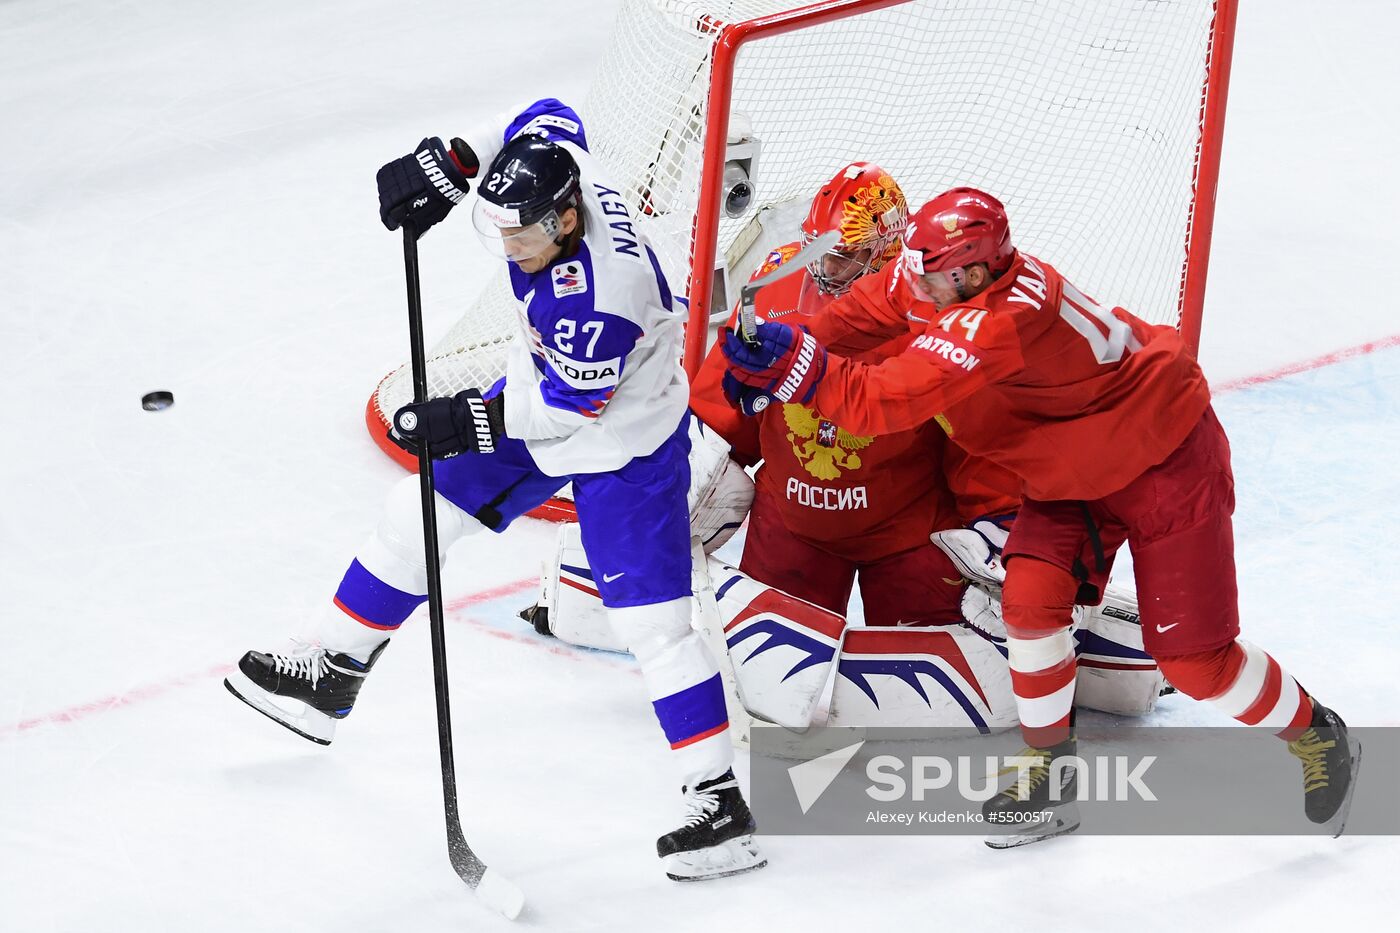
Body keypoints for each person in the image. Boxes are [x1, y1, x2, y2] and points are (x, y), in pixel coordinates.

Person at [224, 98, 765, 882]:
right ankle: (333, 670)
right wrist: (452, 162)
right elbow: (545, 110)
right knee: (419, 509)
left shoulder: (596, 302)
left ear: (567, 222)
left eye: (523, 232)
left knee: (654, 626)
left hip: (624, 444)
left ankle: (720, 808)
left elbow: (566, 412)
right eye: (501, 226)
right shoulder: (564, 167)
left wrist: (471, 420)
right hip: (541, 394)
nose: (508, 244)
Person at [721, 187, 1361, 843]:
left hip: (1164, 458)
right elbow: (866, 310)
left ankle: (1316, 731)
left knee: (1198, 660)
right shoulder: (940, 277)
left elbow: (884, 399)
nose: (911, 281)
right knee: (1030, 601)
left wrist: (792, 370)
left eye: (930, 273)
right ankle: (1052, 776)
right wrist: (790, 343)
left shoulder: (998, 321)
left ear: (973, 274)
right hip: (1074, 465)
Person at [691, 162, 1023, 628]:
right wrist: (692, 466)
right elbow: (724, 405)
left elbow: (977, 439)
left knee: (925, 678)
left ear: (886, 252)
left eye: (844, 256)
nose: (825, 269)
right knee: (768, 676)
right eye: (818, 249)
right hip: (793, 522)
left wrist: (998, 522)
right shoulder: (771, 286)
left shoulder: (943, 314)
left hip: (908, 530)